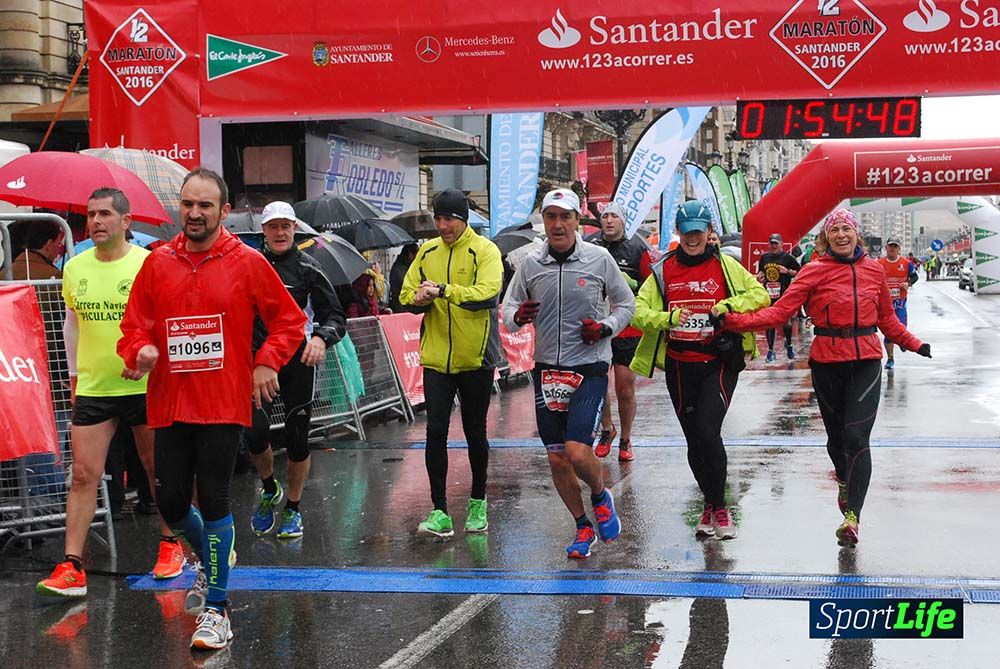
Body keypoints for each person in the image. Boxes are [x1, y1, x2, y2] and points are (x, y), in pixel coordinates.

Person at [117, 168, 306, 650]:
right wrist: (137, 353)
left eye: (205, 205)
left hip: (223, 403)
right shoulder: (157, 262)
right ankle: (214, 559)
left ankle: (218, 608)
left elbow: (289, 322)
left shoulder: (247, 262)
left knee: (216, 498)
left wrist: (266, 363)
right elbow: (134, 325)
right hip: (170, 401)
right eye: (187, 204)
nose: (194, 213)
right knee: (173, 503)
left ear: (224, 212)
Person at [721, 208, 930, 547]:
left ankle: (853, 519)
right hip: (827, 361)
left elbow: (887, 321)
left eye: (847, 229)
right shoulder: (813, 271)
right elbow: (780, 312)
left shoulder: (873, 271)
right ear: (826, 237)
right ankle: (845, 483)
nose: (842, 235)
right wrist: (734, 322)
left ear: (856, 234)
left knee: (857, 437)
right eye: (836, 231)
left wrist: (913, 344)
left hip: (866, 360)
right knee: (836, 439)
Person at [36, 187, 184, 599]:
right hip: (95, 386)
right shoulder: (76, 267)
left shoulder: (149, 264)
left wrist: (153, 359)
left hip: (143, 384)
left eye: (104, 214)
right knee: (83, 475)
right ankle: (72, 566)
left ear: (126, 222)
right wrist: (72, 376)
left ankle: (171, 543)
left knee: (157, 469)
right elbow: (72, 325)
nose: (96, 221)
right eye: (90, 214)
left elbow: (167, 320)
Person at [503, 188, 635, 559]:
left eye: (565, 217)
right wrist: (518, 317)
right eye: (551, 217)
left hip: (589, 366)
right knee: (557, 457)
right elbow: (509, 309)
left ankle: (599, 494)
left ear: (578, 221)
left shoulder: (599, 259)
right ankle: (582, 527)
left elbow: (627, 304)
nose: (558, 224)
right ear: (543, 222)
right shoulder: (530, 264)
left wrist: (606, 327)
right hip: (547, 370)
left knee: (578, 452)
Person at [630, 201, 768, 541]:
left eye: (698, 232)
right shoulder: (663, 271)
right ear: (678, 232)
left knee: (708, 431)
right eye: (687, 232)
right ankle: (709, 504)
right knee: (694, 439)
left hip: (717, 363)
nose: (693, 239)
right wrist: (668, 319)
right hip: (679, 364)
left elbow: (760, 295)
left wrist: (727, 306)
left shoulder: (726, 266)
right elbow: (637, 311)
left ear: (709, 233)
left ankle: (720, 507)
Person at [400, 188, 503, 538]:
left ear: (464, 219)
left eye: (450, 219)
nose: (443, 226)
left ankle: (477, 502)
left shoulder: (485, 250)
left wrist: (444, 290)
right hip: (436, 360)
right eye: (438, 219)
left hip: (475, 358)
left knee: (476, 432)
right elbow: (404, 294)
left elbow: (487, 294)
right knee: (435, 432)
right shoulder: (427, 251)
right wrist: (418, 299)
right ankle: (440, 510)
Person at [246, 201, 346, 539]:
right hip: (259, 364)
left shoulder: (308, 267)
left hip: (297, 362)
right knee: (255, 433)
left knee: (297, 438)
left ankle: (292, 507)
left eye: (285, 226)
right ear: (264, 231)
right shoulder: (249, 265)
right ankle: (269, 486)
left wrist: (321, 337)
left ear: (294, 229)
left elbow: (335, 316)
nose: (279, 232)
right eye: (273, 227)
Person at [590, 202, 652, 462]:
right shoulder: (590, 246)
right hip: (599, 326)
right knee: (598, 384)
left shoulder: (638, 248)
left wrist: (631, 284)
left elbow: (650, 287)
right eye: (605, 216)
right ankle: (607, 429)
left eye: (615, 215)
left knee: (625, 388)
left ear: (624, 220)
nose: (609, 221)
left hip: (627, 328)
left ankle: (626, 438)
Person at [756, 233, 800, 362]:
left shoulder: (788, 258)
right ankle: (770, 351)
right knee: (770, 323)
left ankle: (789, 344)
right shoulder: (764, 257)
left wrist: (787, 271)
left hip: (784, 294)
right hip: (769, 294)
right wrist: (760, 276)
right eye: (772, 243)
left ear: (781, 244)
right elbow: (761, 272)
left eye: (776, 243)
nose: (773, 246)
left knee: (786, 323)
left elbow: (800, 271)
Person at [879, 238, 919, 370]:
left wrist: (908, 283)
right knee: (889, 332)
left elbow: (915, 276)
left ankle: (902, 341)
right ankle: (890, 359)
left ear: (899, 249)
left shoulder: (906, 263)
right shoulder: (880, 263)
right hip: (885, 303)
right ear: (886, 247)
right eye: (890, 246)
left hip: (900, 302)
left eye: (895, 246)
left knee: (901, 326)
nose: (892, 249)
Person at [388, 243, 419, 312]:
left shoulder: (405, 266)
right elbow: (406, 286)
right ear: (410, 254)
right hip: (401, 307)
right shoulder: (399, 269)